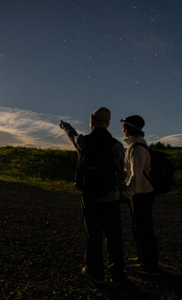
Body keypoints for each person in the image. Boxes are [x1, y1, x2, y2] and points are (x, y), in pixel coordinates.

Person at [60, 107, 126, 284]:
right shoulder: (116, 145)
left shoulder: (83, 142)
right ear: (108, 123)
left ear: (92, 122)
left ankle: (94, 271)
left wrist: (65, 126)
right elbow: (121, 172)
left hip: (89, 196)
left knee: (94, 235)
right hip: (111, 197)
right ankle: (118, 273)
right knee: (114, 236)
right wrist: (122, 192)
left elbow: (72, 135)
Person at [120, 115, 159, 275]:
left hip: (141, 194)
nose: (122, 129)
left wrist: (127, 193)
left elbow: (135, 176)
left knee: (144, 229)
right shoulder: (137, 146)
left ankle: (150, 266)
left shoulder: (136, 149)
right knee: (140, 228)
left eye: (124, 126)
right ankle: (144, 259)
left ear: (129, 128)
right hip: (142, 193)